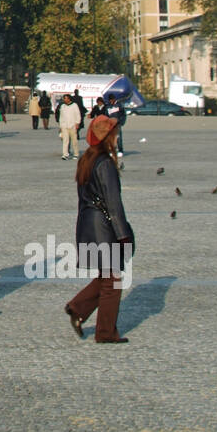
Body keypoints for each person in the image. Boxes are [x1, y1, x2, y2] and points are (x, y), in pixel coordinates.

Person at [64, 115, 134, 343]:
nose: (117, 136)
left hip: (87, 223)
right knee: (113, 281)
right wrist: (123, 235)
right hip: (103, 226)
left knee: (107, 276)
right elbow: (113, 203)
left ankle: (78, 307)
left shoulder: (86, 159)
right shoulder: (105, 163)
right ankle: (105, 332)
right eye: (115, 132)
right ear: (108, 137)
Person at [103, 93, 127, 166]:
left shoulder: (119, 105)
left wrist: (121, 122)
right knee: (110, 138)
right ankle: (111, 150)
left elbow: (123, 114)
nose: (111, 101)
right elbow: (105, 115)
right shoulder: (107, 106)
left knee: (118, 137)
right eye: (110, 100)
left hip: (117, 123)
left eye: (112, 100)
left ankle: (120, 150)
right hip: (110, 124)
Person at [56, 93, 79, 160]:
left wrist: (77, 123)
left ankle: (76, 154)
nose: (64, 100)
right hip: (65, 126)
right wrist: (61, 126)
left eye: (65, 98)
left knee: (74, 141)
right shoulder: (63, 106)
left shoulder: (74, 105)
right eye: (64, 98)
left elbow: (77, 114)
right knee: (65, 140)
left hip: (72, 125)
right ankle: (65, 154)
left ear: (69, 99)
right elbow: (61, 116)